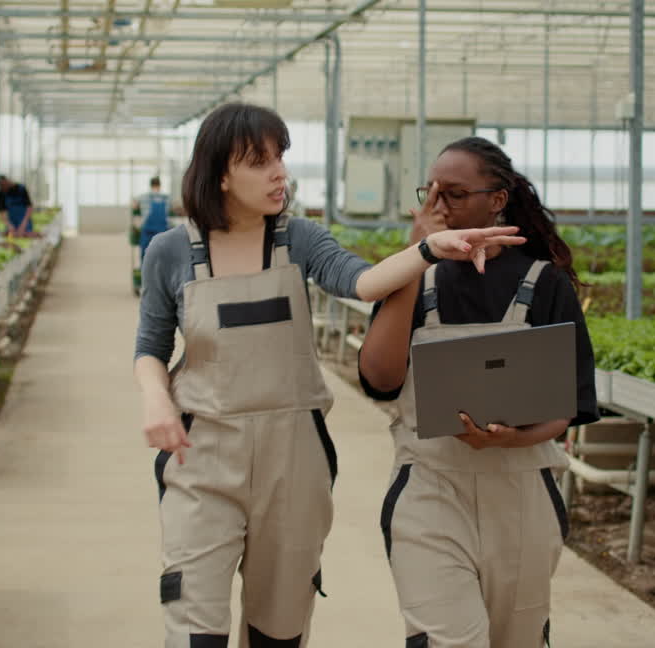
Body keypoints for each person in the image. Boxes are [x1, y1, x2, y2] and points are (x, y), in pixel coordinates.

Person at [134, 104, 526, 647]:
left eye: (281, 158)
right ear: (221, 174)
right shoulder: (170, 252)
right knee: (193, 626)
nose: (279, 174)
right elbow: (150, 347)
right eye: (259, 162)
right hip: (202, 458)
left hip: (293, 461)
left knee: (280, 626)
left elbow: (363, 283)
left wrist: (428, 249)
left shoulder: (298, 240)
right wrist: (156, 399)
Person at [358, 136, 599, 648]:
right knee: (449, 639)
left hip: (523, 492)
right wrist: (414, 257)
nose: (439, 207)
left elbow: (568, 404)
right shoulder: (413, 279)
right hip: (429, 488)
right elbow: (379, 378)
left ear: (497, 199)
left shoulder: (545, 284)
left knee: (519, 637)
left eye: (456, 195)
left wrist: (509, 439)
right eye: (432, 193)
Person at [134, 176, 173, 260]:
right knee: (163, 254)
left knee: (145, 253)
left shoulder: (143, 196)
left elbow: (134, 205)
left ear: (151, 185)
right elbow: (171, 210)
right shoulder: (166, 197)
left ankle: (145, 272)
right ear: (159, 185)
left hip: (148, 230)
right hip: (163, 230)